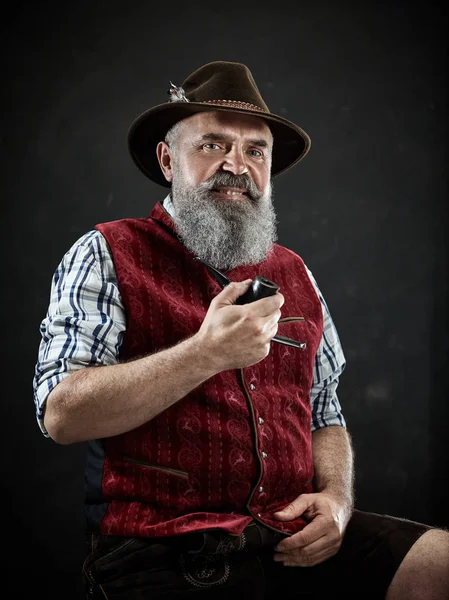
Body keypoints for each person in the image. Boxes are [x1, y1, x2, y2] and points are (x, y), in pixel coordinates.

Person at [33, 61, 449, 599]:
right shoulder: (106, 254)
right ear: (167, 160)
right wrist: (203, 354)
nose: (237, 164)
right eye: (211, 145)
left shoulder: (295, 271)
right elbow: (61, 414)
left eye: (256, 151)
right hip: (164, 551)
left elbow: (325, 411)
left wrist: (337, 500)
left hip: (291, 538)